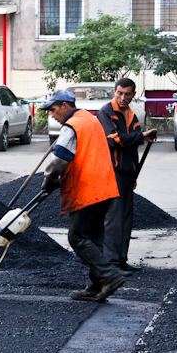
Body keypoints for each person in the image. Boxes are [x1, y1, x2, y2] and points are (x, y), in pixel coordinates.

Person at [40, 90, 126, 302]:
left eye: (53, 109)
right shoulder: (90, 119)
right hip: (104, 187)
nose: (51, 114)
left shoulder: (73, 126)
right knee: (94, 238)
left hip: (87, 188)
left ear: (65, 106)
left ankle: (110, 275)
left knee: (77, 237)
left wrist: (49, 179)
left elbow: (59, 158)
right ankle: (95, 287)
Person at [97, 78, 158, 274]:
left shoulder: (131, 114)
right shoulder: (106, 112)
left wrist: (134, 173)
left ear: (133, 94)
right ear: (114, 91)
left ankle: (121, 260)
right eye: (119, 93)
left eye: (127, 94)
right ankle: (112, 263)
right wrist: (141, 136)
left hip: (127, 172)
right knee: (114, 218)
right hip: (112, 171)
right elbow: (114, 141)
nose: (123, 98)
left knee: (125, 217)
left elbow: (132, 145)